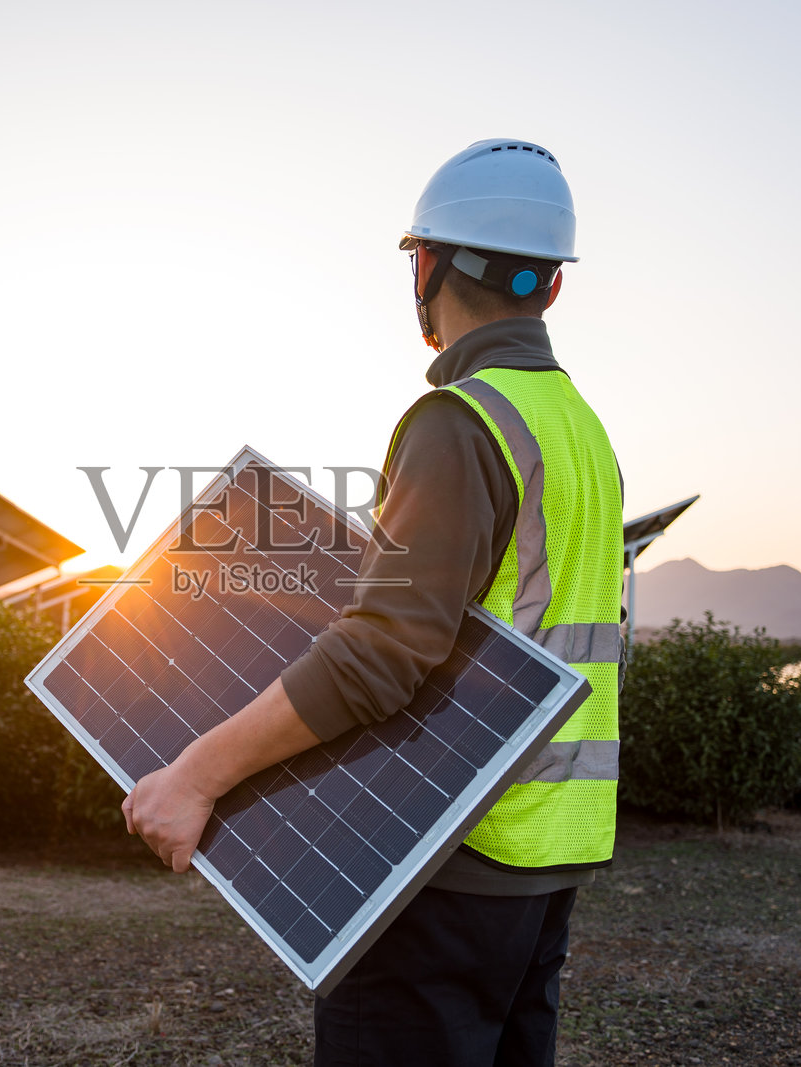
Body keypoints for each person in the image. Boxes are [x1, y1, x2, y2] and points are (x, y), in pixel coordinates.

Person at [123, 139, 623, 1067]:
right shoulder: (582, 430)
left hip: (451, 851)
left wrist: (194, 775)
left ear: (427, 266)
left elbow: (382, 652)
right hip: (551, 851)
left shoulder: (462, 421)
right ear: (551, 288)